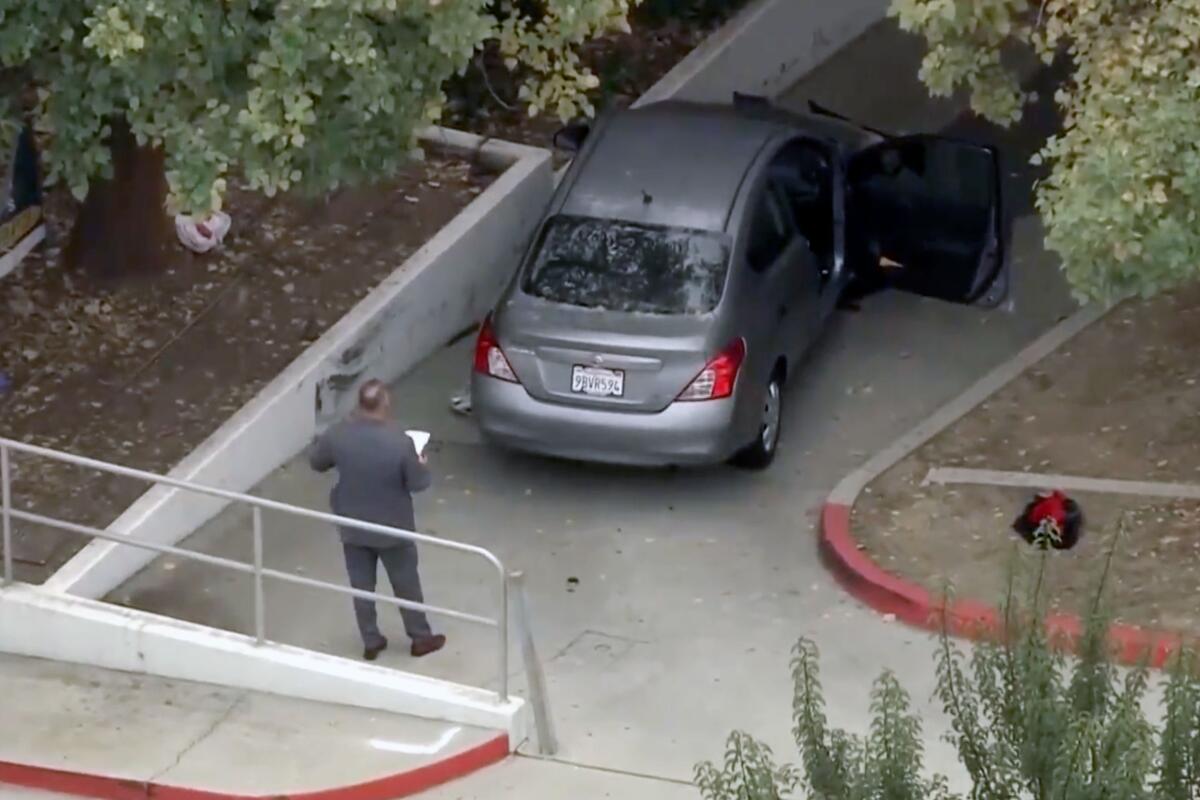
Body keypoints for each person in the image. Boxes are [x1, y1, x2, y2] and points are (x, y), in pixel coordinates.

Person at [308, 378, 446, 661]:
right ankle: (420, 637)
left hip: (353, 523)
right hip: (393, 526)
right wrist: (420, 461)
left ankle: (371, 639)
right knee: (405, 582)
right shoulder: (399, 441)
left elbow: (317, 463)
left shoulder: (338, 434)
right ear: (384, 404)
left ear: (360, 403)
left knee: (361, 584)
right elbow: (418, 483)